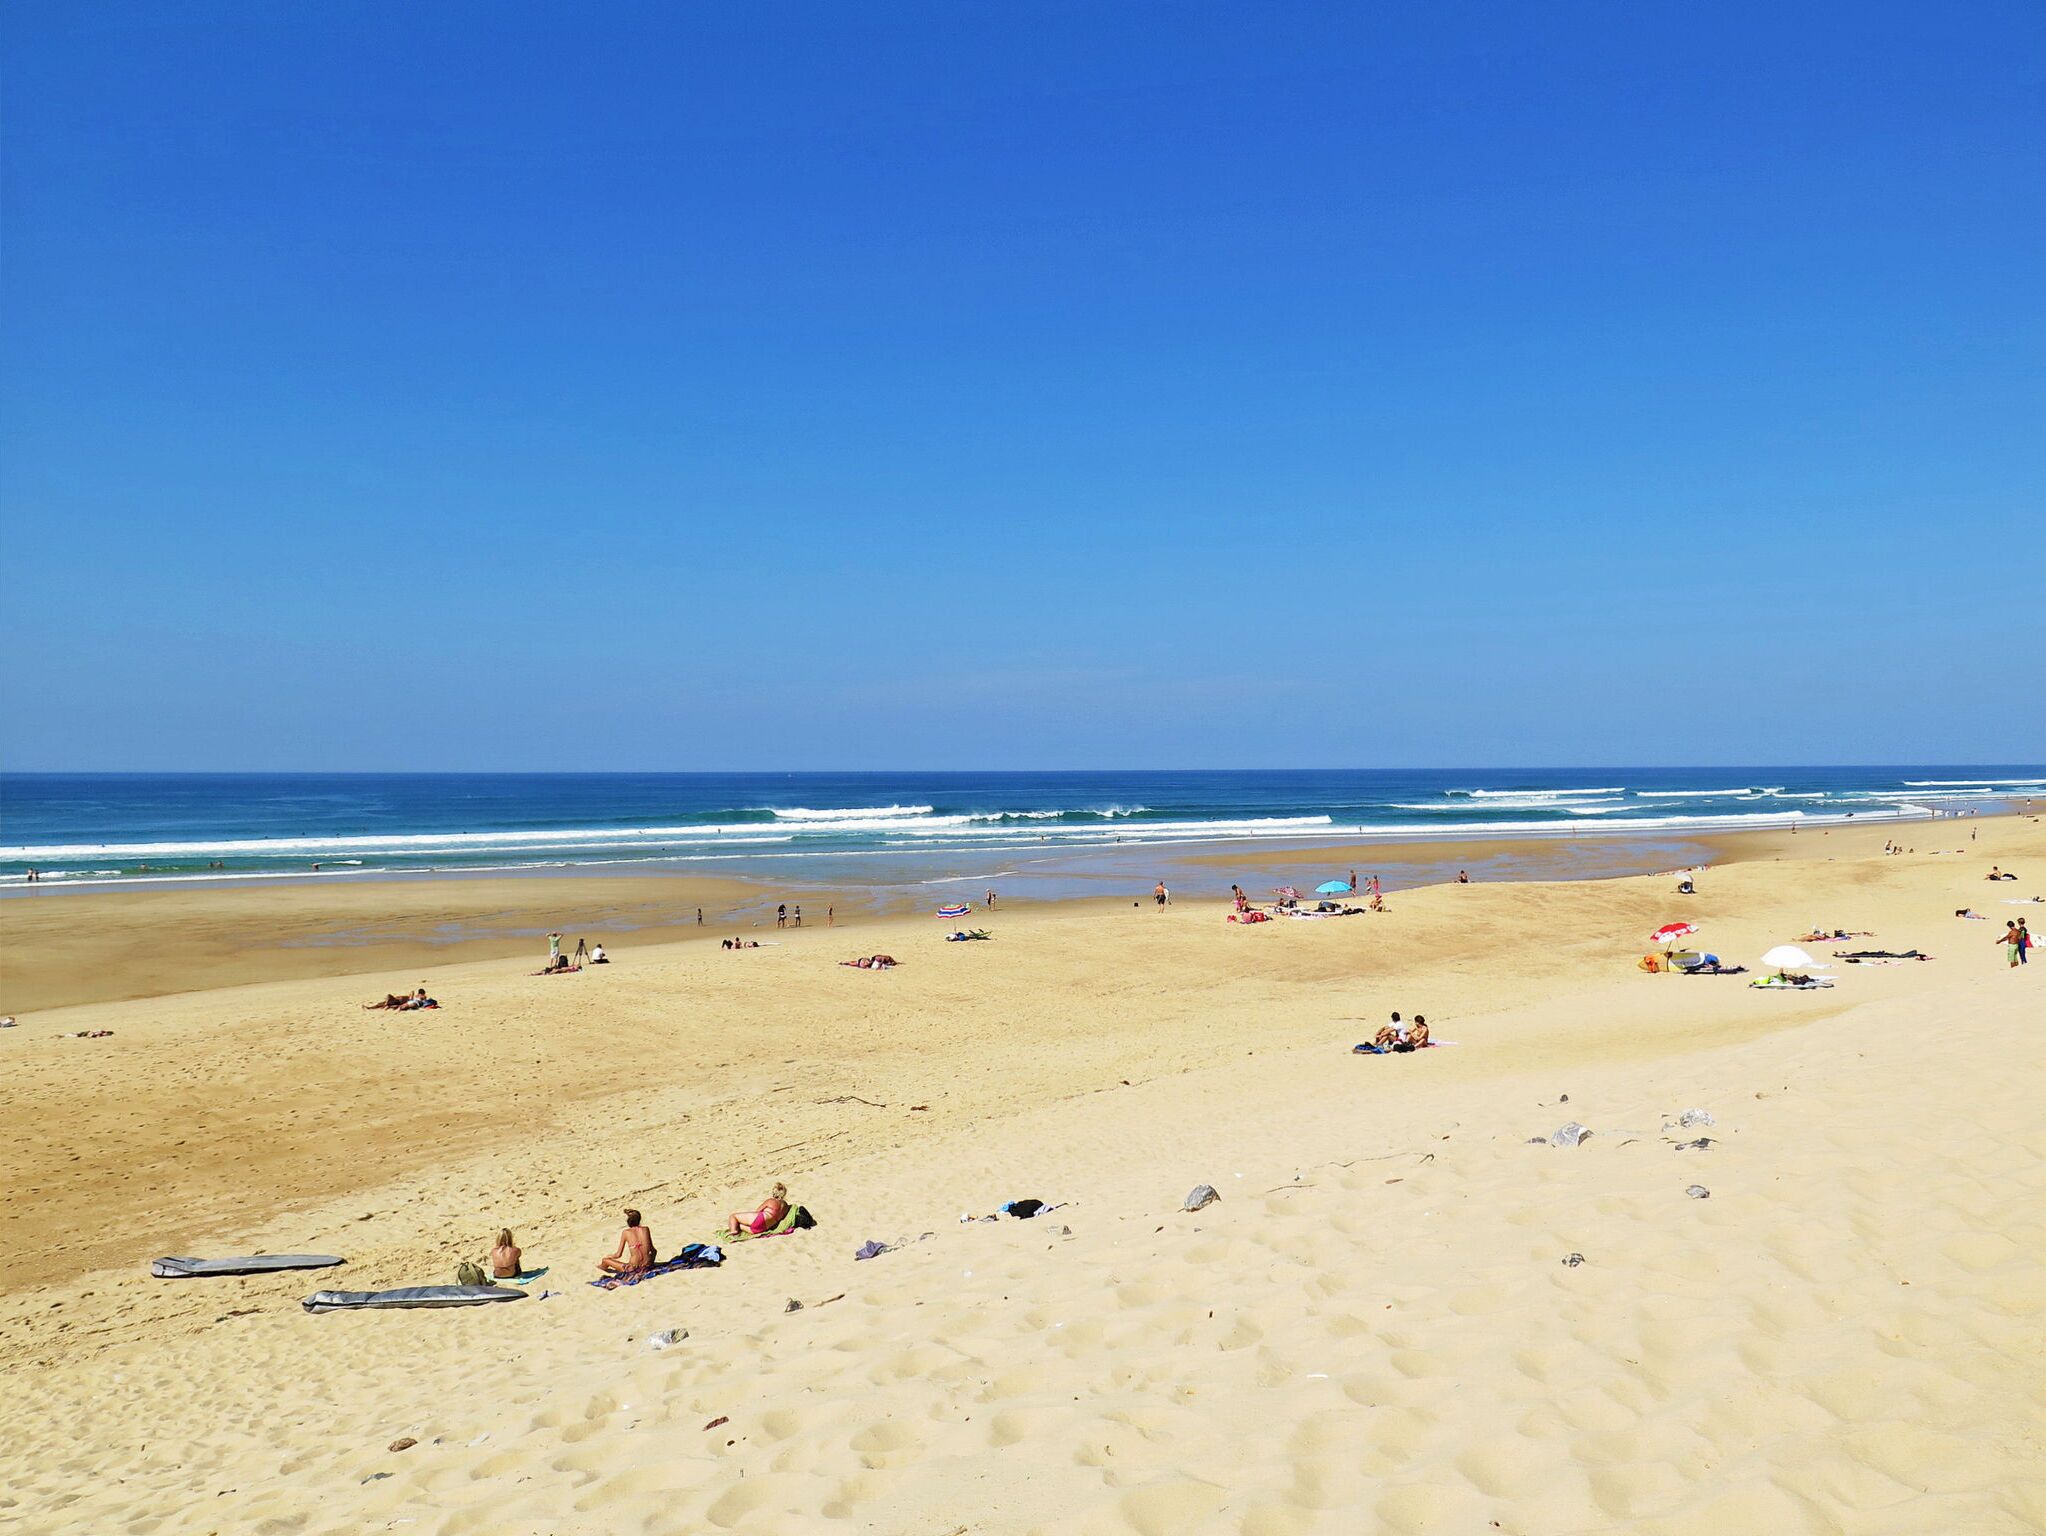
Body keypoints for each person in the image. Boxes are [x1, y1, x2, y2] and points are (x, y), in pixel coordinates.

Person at [599, 1210, 655, 1275]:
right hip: (647, 1266)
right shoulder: (646, 1229)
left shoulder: (626, 1232)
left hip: (633, 1268)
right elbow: (653, 1251)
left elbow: (618, 1255)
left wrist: (610, 1256)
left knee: (605, 1260)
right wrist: (650, 1263)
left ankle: (600, 1268)